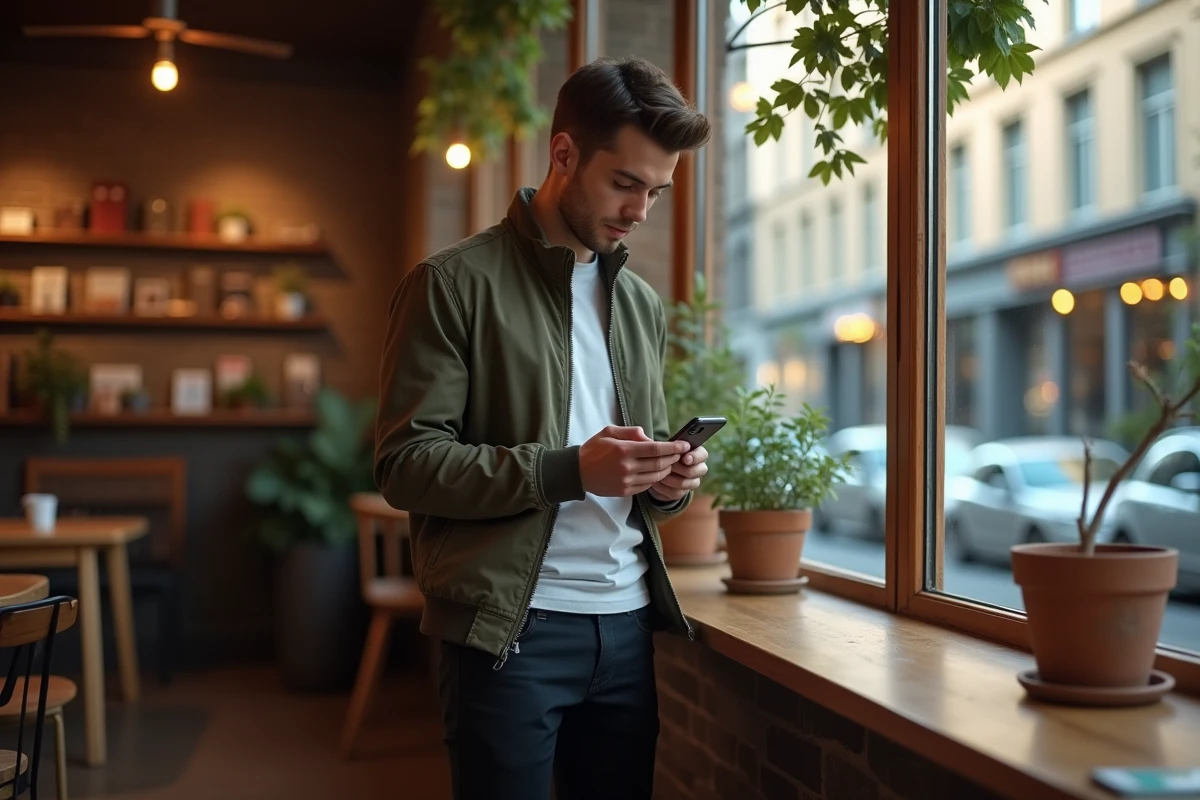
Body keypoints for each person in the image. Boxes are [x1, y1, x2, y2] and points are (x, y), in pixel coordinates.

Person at [374, 55, 713, 800]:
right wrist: (568, 470)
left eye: (656, 191)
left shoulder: (641, 306)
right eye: (626, 183)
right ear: (563, 153)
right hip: (506, 633)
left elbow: (632, 471)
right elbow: (406, 463)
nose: (641, 211)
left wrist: (666, 484)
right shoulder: (452, 284)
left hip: (626, 626)